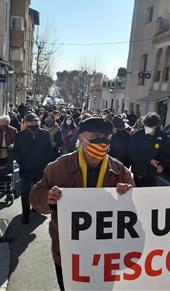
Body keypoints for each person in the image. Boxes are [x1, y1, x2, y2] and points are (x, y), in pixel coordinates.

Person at [29, 117, 135, 291]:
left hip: (106, 256)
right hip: (69, 254)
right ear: (81, 138)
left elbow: (134, 211)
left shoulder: (120, 171)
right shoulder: (59, 166)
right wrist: (48, 197)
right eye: (95, 136)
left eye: (105, 137)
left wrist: (128, 194)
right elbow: (35, 198)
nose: (101, 141)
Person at [13, 113, 54, 224]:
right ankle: (25, 215)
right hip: (26, 169)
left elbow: (50, 150)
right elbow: (15, 152)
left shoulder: (45, 134)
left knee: (40, 192)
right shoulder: (20, 135)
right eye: (31, 122)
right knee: (25, 193)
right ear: (26, 123)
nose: (33, 124)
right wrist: (22, 163)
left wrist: (47, 162)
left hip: (41, 169)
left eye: (35, 122)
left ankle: (37, 208)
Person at [129, 112, 168, 187]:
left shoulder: (163, 136)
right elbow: (132, 153)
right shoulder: (137, 135)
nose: (148, 129)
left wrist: (162, 165)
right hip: (139, 171)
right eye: (146, 126)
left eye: (151, 127)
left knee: (150, 193)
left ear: (156, 125)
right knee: (137, 192)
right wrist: (149, 160)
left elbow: (165, 153)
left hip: (152, 172)